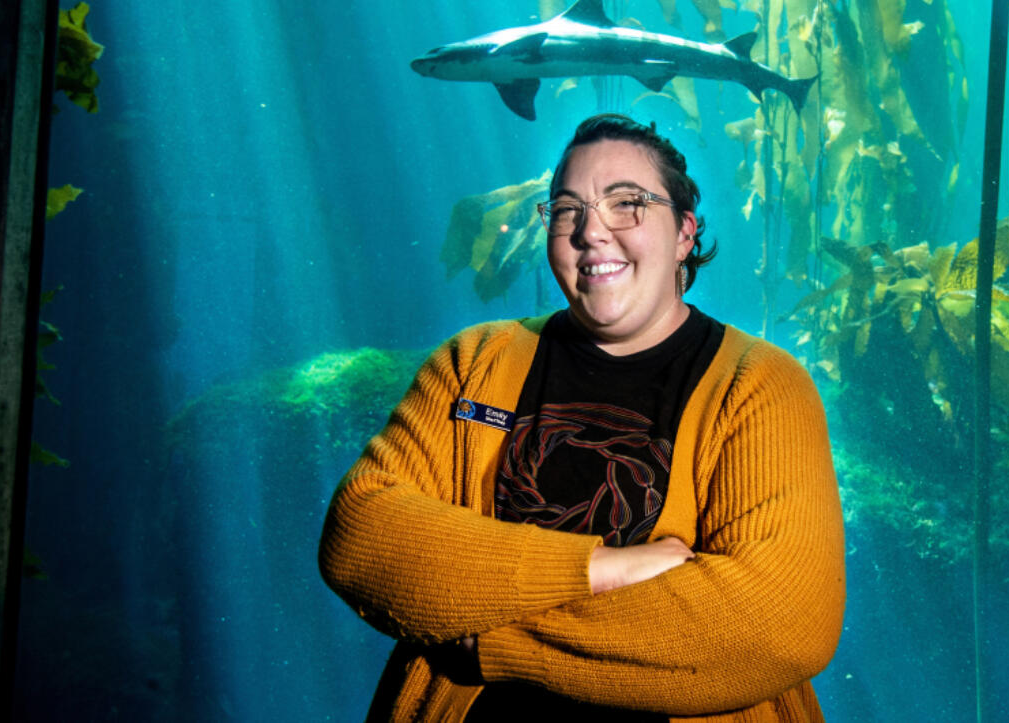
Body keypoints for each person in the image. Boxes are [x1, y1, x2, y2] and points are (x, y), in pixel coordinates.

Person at [319, 113, 846, 722]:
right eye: (567, 209)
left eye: (627, 204)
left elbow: (780, 626)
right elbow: (359, 537)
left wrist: (493, 640)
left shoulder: (760, 385)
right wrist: (605, 568)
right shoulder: (473, 362)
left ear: (684, 233)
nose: (591, 232)